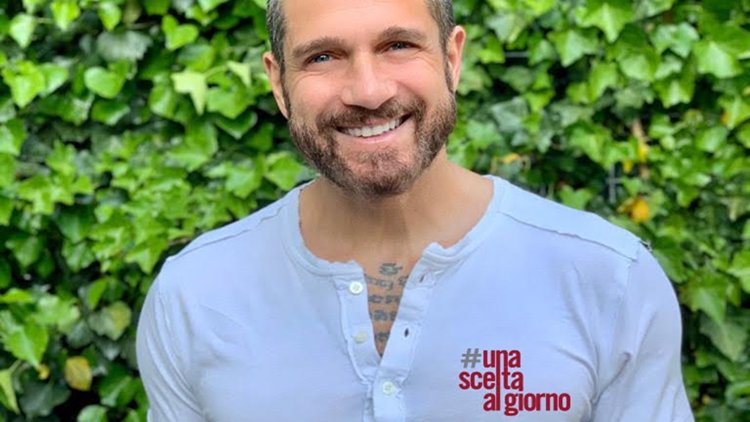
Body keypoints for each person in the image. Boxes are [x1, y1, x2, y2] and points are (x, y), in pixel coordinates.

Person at [136, 0, 694, 420]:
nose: (368, 90)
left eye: (399, 45)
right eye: (323, 57)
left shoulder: (609, 279)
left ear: (452, 58)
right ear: (278, 83)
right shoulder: (194, 295)